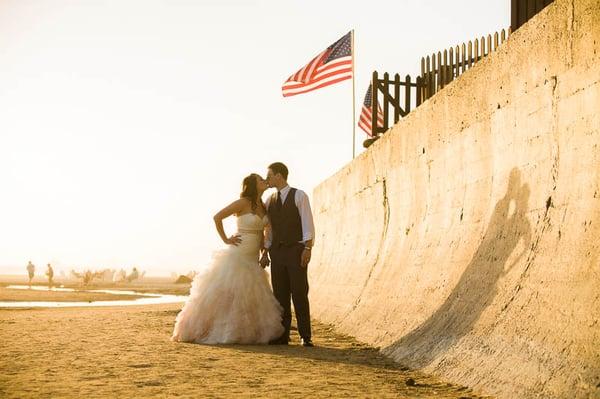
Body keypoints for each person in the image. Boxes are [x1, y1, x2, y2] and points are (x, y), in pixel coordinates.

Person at [171, 173, 284, 344]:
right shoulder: (243, 202)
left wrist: (264, 252)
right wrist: (225, 239)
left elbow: (263, 231)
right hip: (238, 253)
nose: (264, 181)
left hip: (253, 256)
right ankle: (220, 331)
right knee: (230, 293)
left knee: (249, 294)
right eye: (260, 180)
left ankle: (247, 333)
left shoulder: (263, 204)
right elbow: (217, 217)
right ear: (253, 185)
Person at [261, 162, 315, 347]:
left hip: (296, 251)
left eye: (269, 175)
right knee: (280, 295)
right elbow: (269, 230)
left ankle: (305, 335)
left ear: (279, 175)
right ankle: (282, 335)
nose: (267, 179)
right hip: (277, 252)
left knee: (299, 293)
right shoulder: (270, 200)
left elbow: (308, 223)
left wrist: (308, 248)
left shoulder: (299, 195)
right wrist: (266, 250)